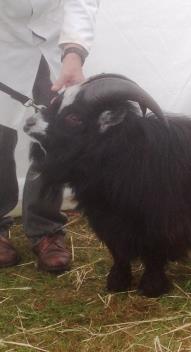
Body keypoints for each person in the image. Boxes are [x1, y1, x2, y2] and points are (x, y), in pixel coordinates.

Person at [0, 0, 100, 272]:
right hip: (3, 37)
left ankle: (46, 229)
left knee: (56, 139)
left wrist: (74, 52)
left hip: (56, 43)